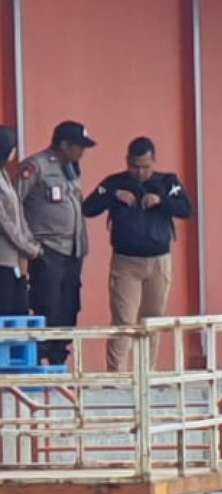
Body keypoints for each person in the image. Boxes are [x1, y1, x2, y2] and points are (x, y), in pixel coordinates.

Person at [83, 137, 193, 371]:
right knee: (124, 320)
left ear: (154, 161)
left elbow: (186, 209)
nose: (139, 172)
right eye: (134, 166)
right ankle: (117, 375)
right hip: (126, 261)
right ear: (127, 162)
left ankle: (147, 372)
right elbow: (88, 208)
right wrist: (112, 196)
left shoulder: (168, 181)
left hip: (158, 260)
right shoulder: (115, 183)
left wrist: (161, 201)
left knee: (152, 320)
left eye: (145, 166)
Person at [19, 120, 94, 366]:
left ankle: (59, 358)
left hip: (73, 251)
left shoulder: (71, 169)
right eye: (79, 146)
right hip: (48, 250)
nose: (82, 152)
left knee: (69, 307)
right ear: (64, 145)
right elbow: (12, 204)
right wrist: (28, 243)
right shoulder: (36, 166)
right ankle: (42, 358)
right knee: (46, 305)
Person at [0, 126, 42, 316]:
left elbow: (18, 214)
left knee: (19, 312)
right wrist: (26, 247)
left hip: (14, 260)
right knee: (5, 312)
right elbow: (4, 222)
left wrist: (29, 241)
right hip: (3, 259)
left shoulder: (5, 176)